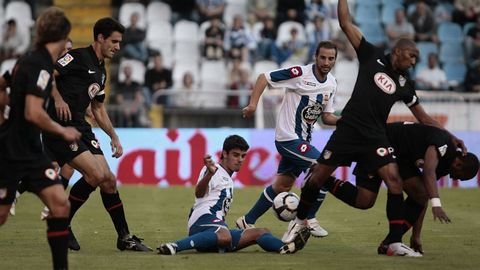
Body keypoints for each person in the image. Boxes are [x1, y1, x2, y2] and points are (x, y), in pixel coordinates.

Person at [282, 0, 466, 257]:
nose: (414, 61)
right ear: (398, 51)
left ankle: (392, 242)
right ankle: (299, 220)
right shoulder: (372, 55)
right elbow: (346, 23)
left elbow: (424, 117)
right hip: (348, 130)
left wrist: (452, 136)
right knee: (318, 178)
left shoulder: (405, 84)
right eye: (411, 56)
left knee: (393, 182)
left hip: (376, 135)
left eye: (416, 58)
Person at [42, 17, 151, 252]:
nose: (118, 47)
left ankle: (125, 237)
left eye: (120, 42)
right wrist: (58, 98)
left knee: (108, 180)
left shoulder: (101, 71)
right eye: (114, 41)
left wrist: (114, 136)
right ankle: (61, 221)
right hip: (59, 127)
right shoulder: (78, 57)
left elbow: (98, 108)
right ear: (100, 38)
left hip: (81, 126)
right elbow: (47, 73)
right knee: (94, 175)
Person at [0, 7, 81, 270]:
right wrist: (62, 131)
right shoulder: (38, 64)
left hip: (33, 152)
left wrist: (3, 114)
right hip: (11, 151)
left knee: (59, 204)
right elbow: (33, 112)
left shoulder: (33, 60)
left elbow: (3, 84)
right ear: (62, 36)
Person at [321, 122, 479, 254]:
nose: (453, 178)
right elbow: (429, 171)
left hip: (401, 158)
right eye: (458, 176)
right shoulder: (444, 145)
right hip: (382, 142)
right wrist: (436, 204)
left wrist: (416, 236)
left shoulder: (445, 165)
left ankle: (390, 243)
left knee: (416, 194)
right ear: (459, 163)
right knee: (365, 200)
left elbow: (421, 196)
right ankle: (323, 179)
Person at [237, 41, 339, 238]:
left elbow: (326, 117)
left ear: (335, 60)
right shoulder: (300, 73)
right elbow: (264, 77)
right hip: (288, 138)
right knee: (322, 169)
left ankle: (247, 220)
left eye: (331, 58)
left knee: (282, 185)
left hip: (303, 141)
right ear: (315, 57)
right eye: (323, 57)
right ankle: (309, 219)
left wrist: (346, 122)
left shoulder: (332, 83)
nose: (326, 62)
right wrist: (252, 105)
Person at [157, 135, 311, 255]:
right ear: (224, 154)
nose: (240, 160)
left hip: (216, 227)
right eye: (236, 155)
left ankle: (286, 247)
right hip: (202, 220)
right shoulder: (214, 169)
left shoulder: (228, 178)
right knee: (225, 236)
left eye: (243, 156)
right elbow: (198, 193)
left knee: (261, 232)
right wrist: (209, 175)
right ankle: (175, 246)